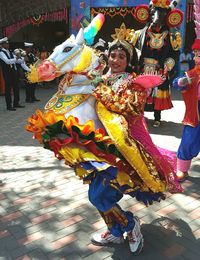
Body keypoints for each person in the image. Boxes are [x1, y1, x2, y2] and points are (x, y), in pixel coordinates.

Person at [26, 23, 182, 255]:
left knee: (98, 195)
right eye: (113, 55)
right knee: (99, 194)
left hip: (122, 150)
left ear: (129, 60)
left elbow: (127, 107)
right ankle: (117, 230)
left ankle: (130, 224)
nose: (115, 60)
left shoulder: (133, 83)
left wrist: (99, 88)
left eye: (121, 56)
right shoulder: (99, 77)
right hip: (97, 148)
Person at [131, 1, 183, 127]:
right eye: (154, 13)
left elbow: (173, 54)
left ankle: (157, 117)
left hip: (159, 69)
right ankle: (140, 116)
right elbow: (134, 51)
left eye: (162, 14)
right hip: (143, 68)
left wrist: (168, 65)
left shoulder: (172, 36)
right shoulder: (139, 34)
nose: (157, 18)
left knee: (157, 93)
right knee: (141, 92)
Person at [173, 38, 200, 181]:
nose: (196, 58)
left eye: (199, 55)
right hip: (195, 113)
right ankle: (182, 169)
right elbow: (177, 82)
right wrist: (181, 82)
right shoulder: (192, 73)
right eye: (195, 54)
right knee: (188, 141)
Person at [0, 37, 25, 110]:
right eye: (6, 44)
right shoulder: (1, 52)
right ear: (2, 45)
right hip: (7, 73)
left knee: (16, 88)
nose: (8, 45)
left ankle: (16, 103)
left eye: (8, 43)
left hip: (14, 72)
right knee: (8, 89)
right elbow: (7, 61)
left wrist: (21, 57)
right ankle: (9, 105)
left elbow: (20, 61)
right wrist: (16, 58)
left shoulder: (10, 52)